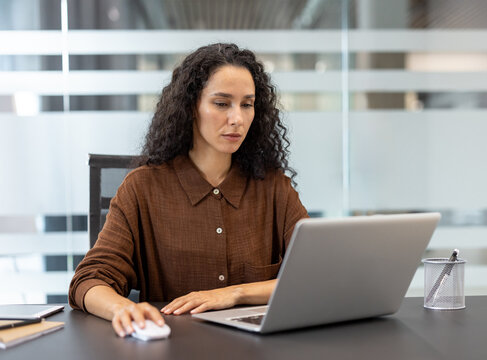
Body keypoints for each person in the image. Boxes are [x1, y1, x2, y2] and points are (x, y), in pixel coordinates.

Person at [68, 43, 308, 337]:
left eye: (247, 104)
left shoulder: (274, 187)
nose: (238, 119)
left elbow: (317, 273)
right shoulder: (142, 188)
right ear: (191, 107)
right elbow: (89, 280)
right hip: (173, 346)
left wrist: (234, 294)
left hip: (257, 349)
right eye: (222, 103)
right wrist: (121, 308)